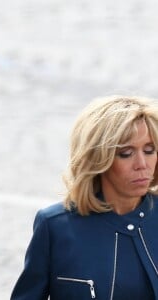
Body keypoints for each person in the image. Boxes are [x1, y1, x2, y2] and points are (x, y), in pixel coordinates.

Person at [11, 95, 158, 299]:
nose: (142, 163)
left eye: (150, 150)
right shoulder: (55, 227)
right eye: (126, 153)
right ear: (98, 158)